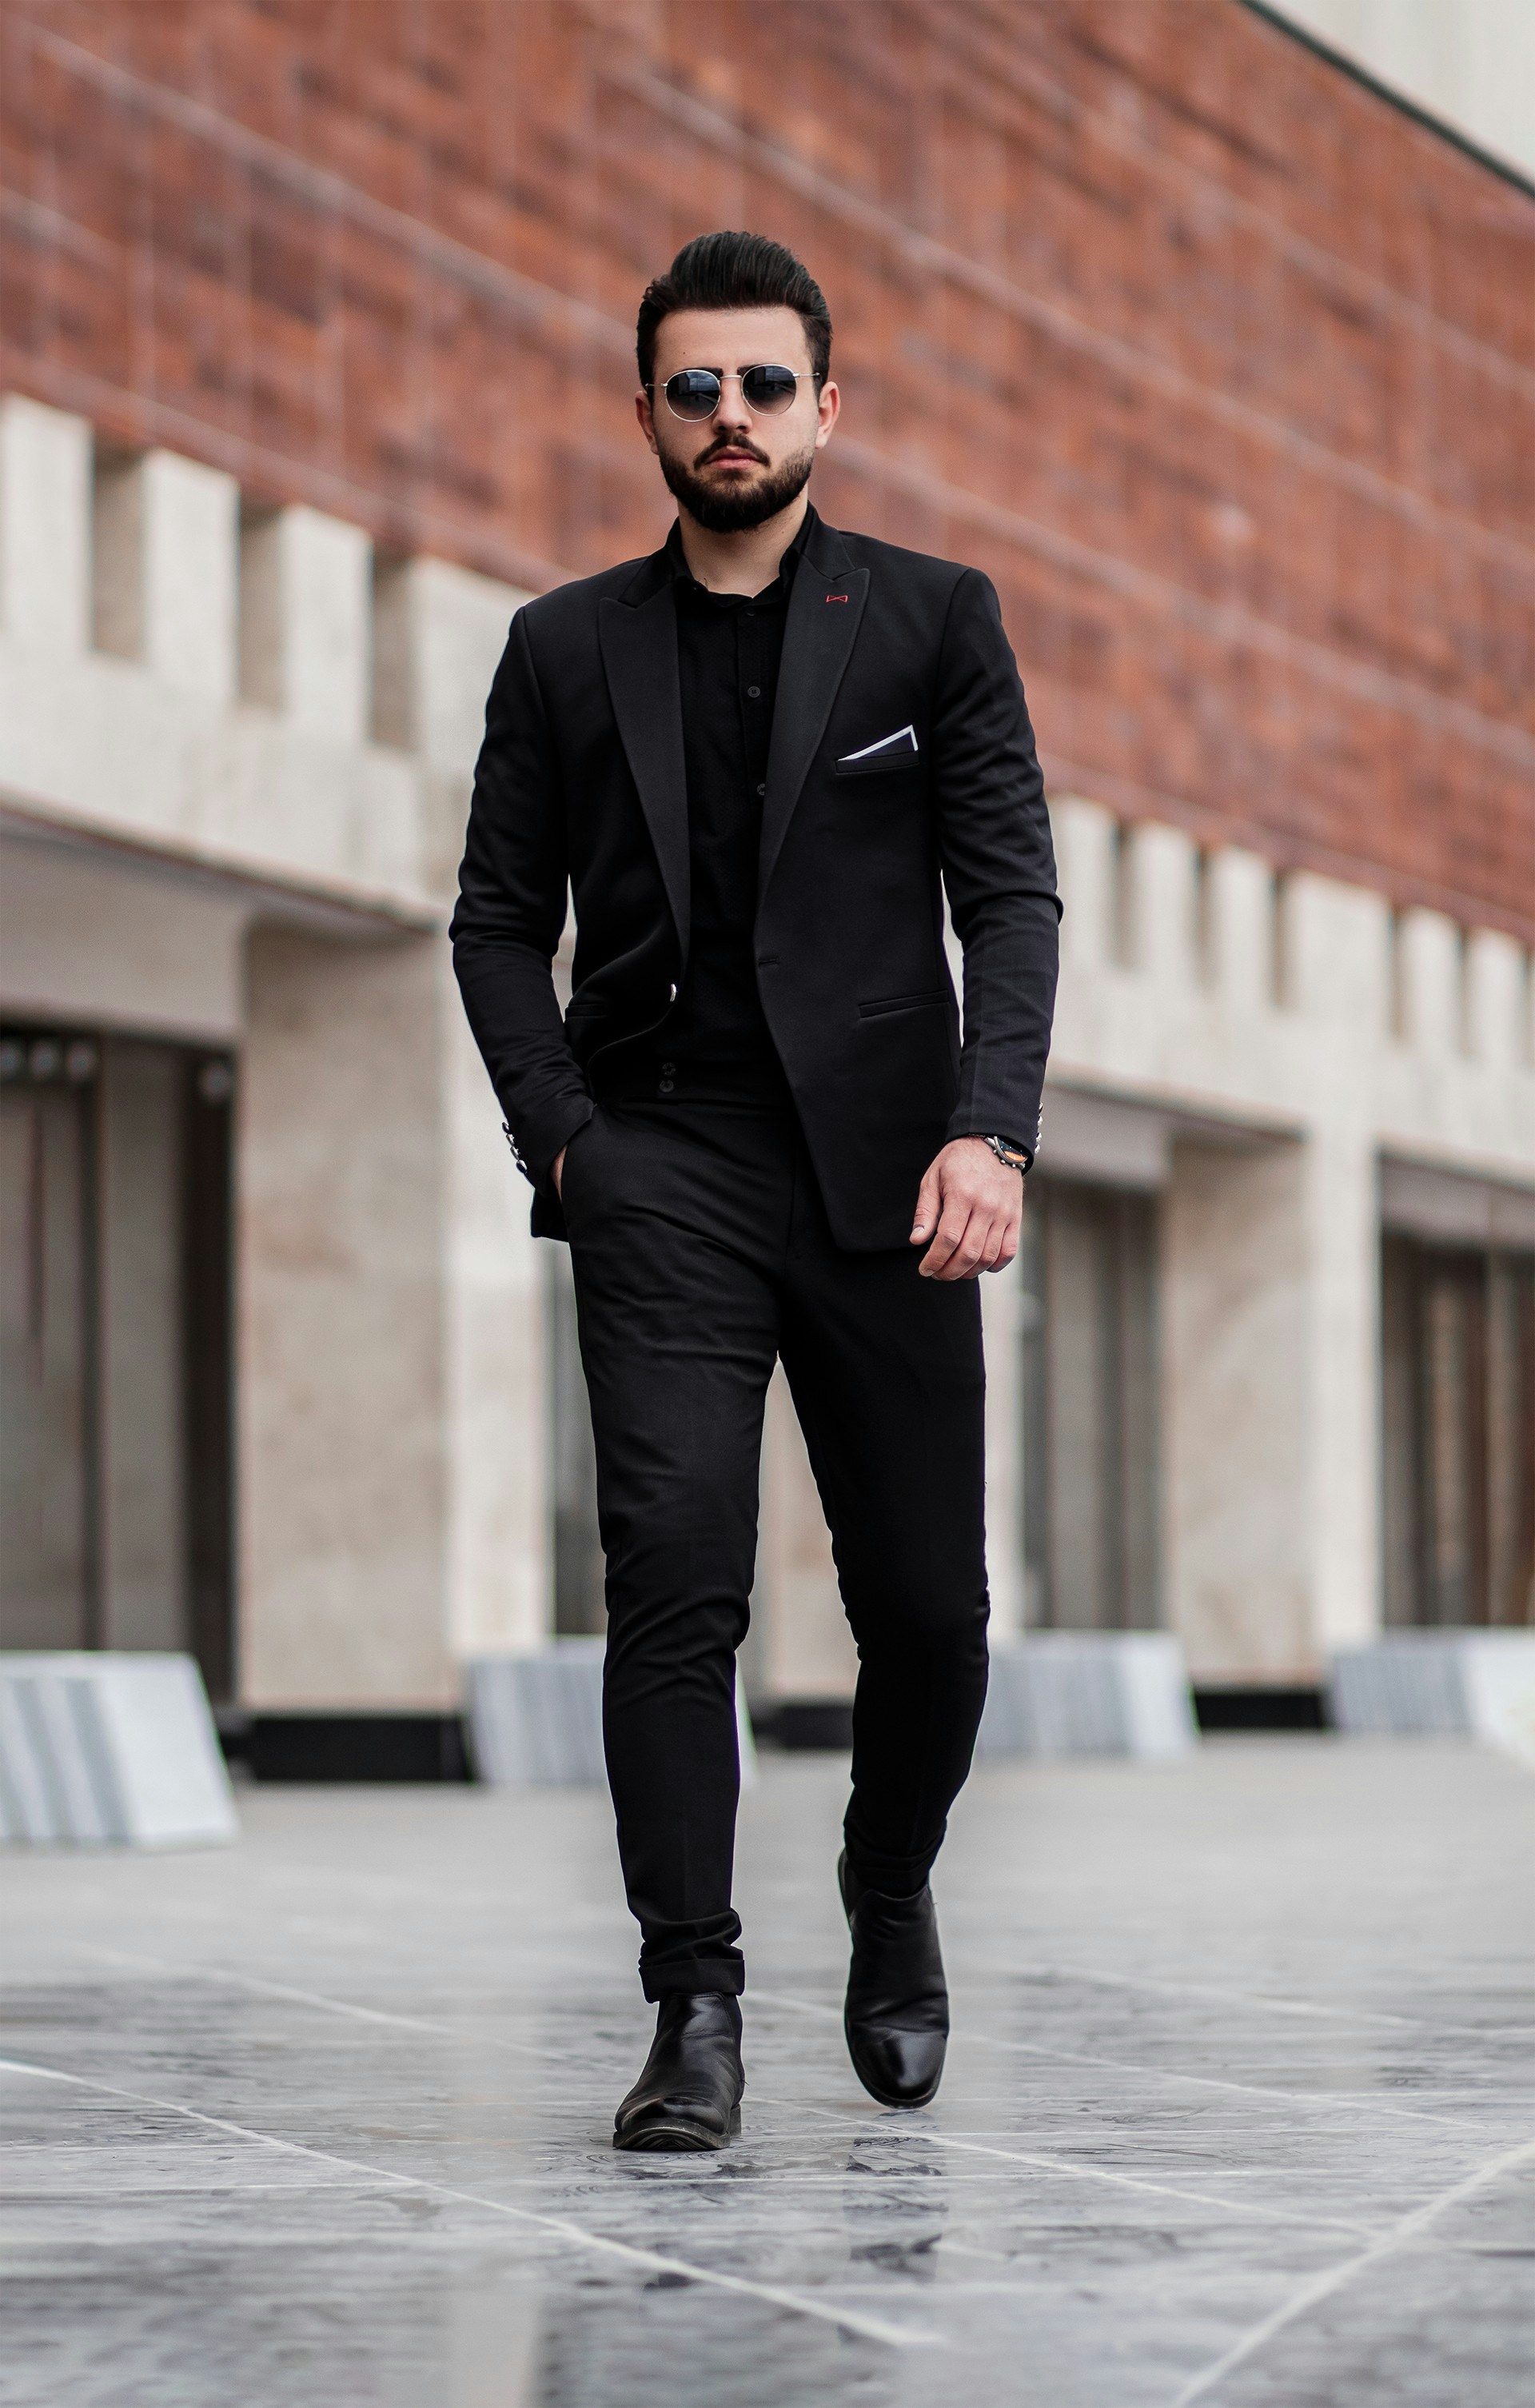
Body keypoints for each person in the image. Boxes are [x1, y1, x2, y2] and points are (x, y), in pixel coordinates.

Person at [452, 231, 1059, 2151]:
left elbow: (1010, 895)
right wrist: (567, 1138)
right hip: (666, 1170)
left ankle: (889, 1888)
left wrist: (996, 1127)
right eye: (695, 387)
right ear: (643, 410)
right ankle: (694, 2002)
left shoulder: (936, 621)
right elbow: (491, 925)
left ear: (826, 405)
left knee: (931, 1616)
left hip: (893, 1177)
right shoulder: (563, 648)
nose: (732, 417)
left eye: (765, 385)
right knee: (673, 1597)